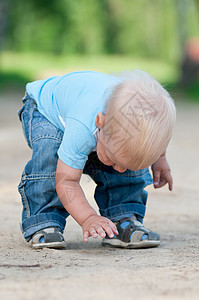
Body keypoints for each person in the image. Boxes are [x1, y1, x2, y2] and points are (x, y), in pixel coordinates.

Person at [17, 70, 176, 249]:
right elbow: (67, 181)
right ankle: (44, 220)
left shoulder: (126, 125)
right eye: (114, 159)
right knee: (50, 160)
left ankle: (122, 218)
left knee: (128, 159)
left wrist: (159, 159)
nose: (120, 170)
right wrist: (88, 217)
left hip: (91, 114)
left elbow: (155, 137)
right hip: (45, 110)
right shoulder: (82, 127)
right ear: (101, 122)